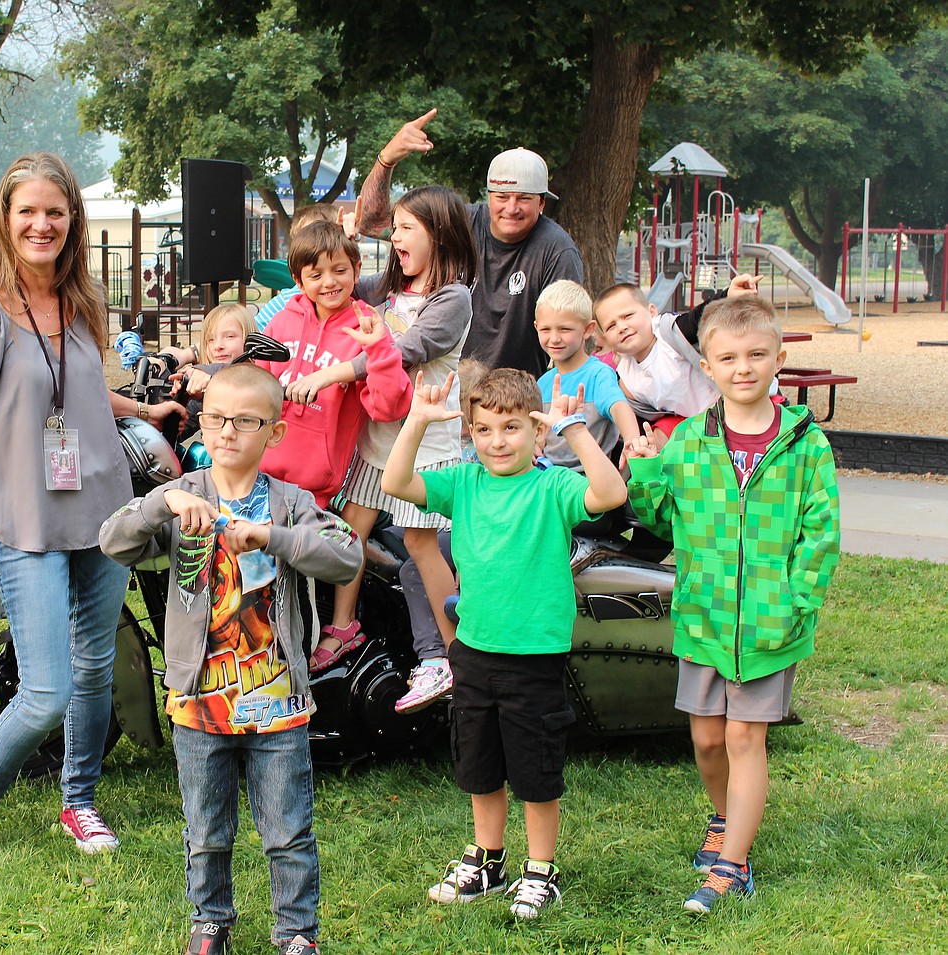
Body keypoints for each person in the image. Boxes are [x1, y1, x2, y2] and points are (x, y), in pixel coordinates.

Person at [0, 151, 182, 872]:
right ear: (6, 221)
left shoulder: (83, 302)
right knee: (45, 690)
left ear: (73, 220)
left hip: (103, 515)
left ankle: (80, 798)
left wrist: (146, 406)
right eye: (27, 211)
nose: (42, 224)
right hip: (27, 524)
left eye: (55, 212)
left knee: (96, 668)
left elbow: (79, 396)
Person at [99, 363, 364, 955]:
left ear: (273, 432)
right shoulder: (183, 497)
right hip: (199, 702)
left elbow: (346, 558)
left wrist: (273, 538)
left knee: (288, 831)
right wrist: (158, 505)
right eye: (216, 418)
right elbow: (113, 542)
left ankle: (297, 933)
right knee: (206, 831)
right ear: (200, 422)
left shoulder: (292, 504)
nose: (226, 432)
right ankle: (209, 921)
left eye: (245, 421)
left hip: (278, 704)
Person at [382, 366, 627, 919]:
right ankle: (487, 860)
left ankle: (541, 870)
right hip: (473, 650)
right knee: (479, 764)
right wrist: (417, 421)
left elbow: (610, 494)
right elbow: (396, 484)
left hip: (535, 657)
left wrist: (575, 429)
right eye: (486, 429)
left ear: (536, 433)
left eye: (512, 428)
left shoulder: (553, 487)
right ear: (470, 432)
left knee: (535, 772)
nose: (498, 441)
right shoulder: (463, 484)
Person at [623, 296, 840, 914]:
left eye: (755, 355)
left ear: (779, 359)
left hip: (771, 625)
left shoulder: (806, 444)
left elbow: (821, 533)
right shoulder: (690, 440)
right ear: (708, 366)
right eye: (728, 358)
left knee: (746, 738)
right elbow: (663, 520)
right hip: (705, 617)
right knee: (708, 741)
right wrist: (643, 473)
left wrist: (798, 602)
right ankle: (724, 819)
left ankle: (733, 865)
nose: (743, 367)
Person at [287, 186, 475, 696]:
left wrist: (326, 378)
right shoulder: (390, 286)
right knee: (353, 529)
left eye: (407, 227)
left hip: (425, 445)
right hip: (378, 437)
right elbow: (335, 283)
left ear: (440, 234)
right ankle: (344, 626)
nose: (394, 236)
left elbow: (406, 349)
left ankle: (454, 654)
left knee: (420, 543)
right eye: (393, 226)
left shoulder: (452, 298)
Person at [356, 108, 583, 376]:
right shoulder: (461, 223)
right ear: (488, 196)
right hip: (444, 383)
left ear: (542, 202)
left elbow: (569, 331)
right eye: (502, 196)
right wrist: (386, 160)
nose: (511, 208)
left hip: (510, 395)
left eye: (523, 198)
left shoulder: (557, 250)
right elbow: (372, 223)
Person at [258, 220, 412, 509]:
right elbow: (254, 386)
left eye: (339, 270)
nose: (329, 282)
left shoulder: (368, 327)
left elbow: (389, 407)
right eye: (316, 275)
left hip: (314, 492)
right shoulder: (281, 322)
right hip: (258, 474)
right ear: (299, 281)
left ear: (356, 269)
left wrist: (378, 349)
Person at [592, 274, 761, 447]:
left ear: (652, 312)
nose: (621, 327)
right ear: (605, 336)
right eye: (611, 326)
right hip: (691, 421)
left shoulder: (669, 334)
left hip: (729, 405)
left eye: (628, 316)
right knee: (654, 438)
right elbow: (635, 415)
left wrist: (728, 296)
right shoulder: (626, 376)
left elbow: (700, 317)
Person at [534, 280, 639, 470]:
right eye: (546, 329)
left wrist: (633, 444)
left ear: (588, 329)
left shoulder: (598, 375)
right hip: (545, 476)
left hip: (586, 479)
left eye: (564, 329)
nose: (554, 338)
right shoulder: (543, 383)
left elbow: (619, 407)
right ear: (536, 327)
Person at [254, 204, 341, 332]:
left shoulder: (354, 289)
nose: (320, 248)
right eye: (309, 240)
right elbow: (253, 338)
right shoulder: (285, 303)